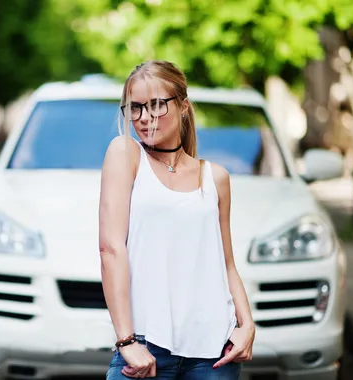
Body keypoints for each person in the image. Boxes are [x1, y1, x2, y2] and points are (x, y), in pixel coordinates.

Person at [98, 60, 255, 380]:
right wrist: (126, 340)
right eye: (136, 108)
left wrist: (247, 324)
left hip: (215, 354)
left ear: (183, 106)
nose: (144, 118)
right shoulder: (126, 154)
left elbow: (226, 264)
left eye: (156, 105)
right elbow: (111, 249)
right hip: (146, 348)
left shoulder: (215, 177)